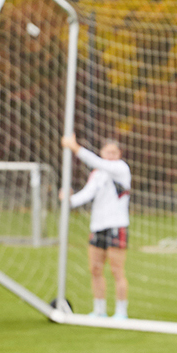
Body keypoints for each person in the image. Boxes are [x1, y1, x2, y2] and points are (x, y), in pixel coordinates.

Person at [61, 133, 132, 319]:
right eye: (107, 152)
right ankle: (99, 310)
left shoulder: (120, 168)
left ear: (119, 154)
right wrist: (68, 200)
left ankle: (121, 312)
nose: (110, 155)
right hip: (97, 226)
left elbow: (98, 162)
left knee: (117, 270)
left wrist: (75, 147)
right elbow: (87, 194)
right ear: (102, 152)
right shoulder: (97, 173)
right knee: (95, 268)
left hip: (116, 225)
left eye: (114, 152)